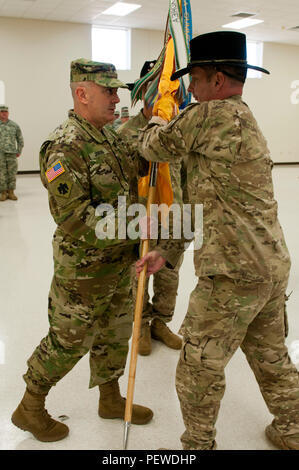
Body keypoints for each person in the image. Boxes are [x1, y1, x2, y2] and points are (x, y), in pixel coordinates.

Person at [136, 31, 299, 450]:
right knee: (271, 358)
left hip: (232, 275)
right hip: (268, 269)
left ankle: (198, 447)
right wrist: (166, 253)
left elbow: (152, 146)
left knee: (198, 367)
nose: (190, 87)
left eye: (197, 78)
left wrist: (156, 115)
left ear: (219, 80)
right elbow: (200, 202)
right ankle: (293, 429)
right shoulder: (242, 118)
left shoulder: (211, 115)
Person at [11, 58, 153, 443]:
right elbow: (74, 218)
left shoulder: (108, 135)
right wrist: (139, 227)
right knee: (68, 340)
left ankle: (110, 398)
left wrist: (153, 119)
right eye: (109, 91)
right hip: (84, 274)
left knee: (116, 333)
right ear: (82, 93)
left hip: (119, 264)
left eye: (118, 91)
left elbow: (134, 162)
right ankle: (30, 406)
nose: (116, 98)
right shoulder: (64, 146)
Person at [118, 60, 183, 356]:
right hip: (139, 216)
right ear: (144, 93)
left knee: (169, 272)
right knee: (140, 272)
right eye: (155, 91)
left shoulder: (177, 129)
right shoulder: (124, 133)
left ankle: (161, 321)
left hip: (174, 216)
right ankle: (141, 323)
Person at [0, 105, 24, 201]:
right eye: (2, 111)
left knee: (12, 173)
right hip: (0, 154)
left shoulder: (14, 125)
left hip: (11, 153)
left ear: (8, 113)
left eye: (5, 112)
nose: (4, 113)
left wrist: (19, 151)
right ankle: (3, 192)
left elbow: (20, 139)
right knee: (1, 173)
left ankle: (11, 192)